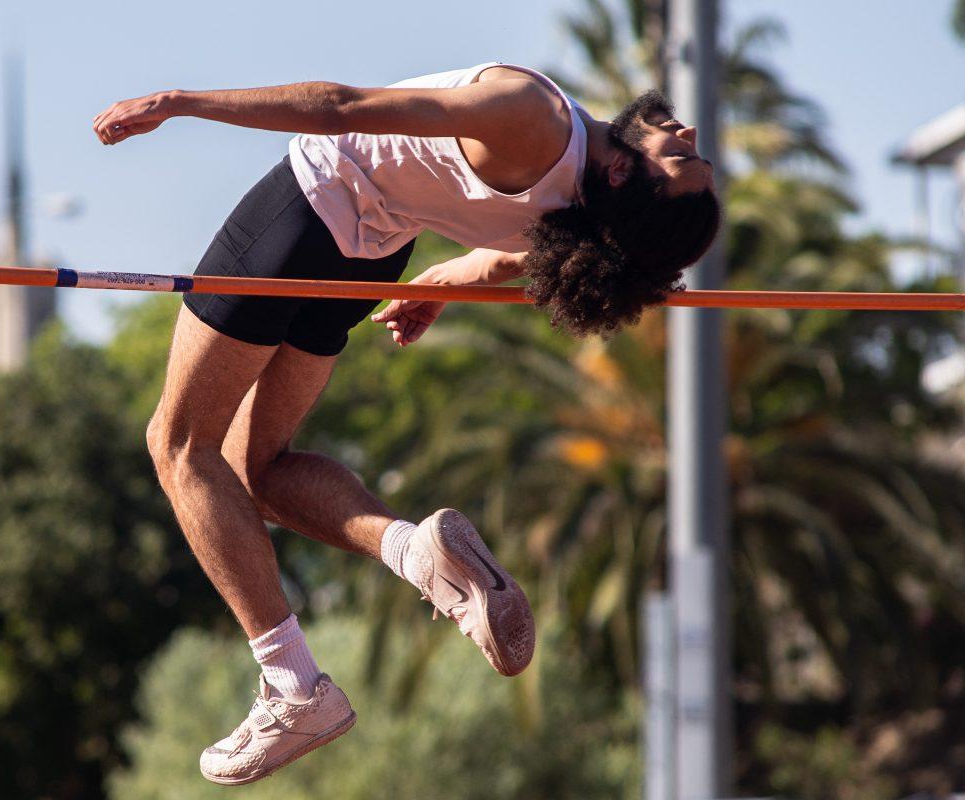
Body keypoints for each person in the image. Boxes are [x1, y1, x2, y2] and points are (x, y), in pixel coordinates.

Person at [92, 61, 720, 785]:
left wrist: (181, 101)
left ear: (621, 177)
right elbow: (496, 264)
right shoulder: (578, 212)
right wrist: (434, 286)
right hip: (373, 253)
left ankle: (293, 686)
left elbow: (342, 107)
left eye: (680, 156)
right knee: (258, 472)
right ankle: (419, 554)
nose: (688, 130)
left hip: (311, 205)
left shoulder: (533, 115)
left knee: (179, 445)